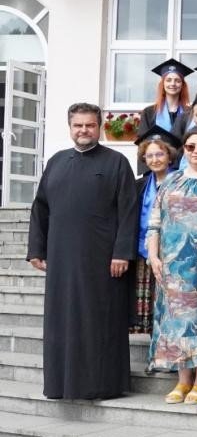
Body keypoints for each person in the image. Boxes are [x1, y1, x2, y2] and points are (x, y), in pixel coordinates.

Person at [27, 104, 136, 401]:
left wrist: (122, 253)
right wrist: (37, 248)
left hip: (102, 259)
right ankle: (62, 385)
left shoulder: (116, 162)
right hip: (61, 258)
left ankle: (100, 385)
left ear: (99, 127)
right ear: (70, 127)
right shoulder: (57, 162)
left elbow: (129, 211)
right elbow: (41, 207)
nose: (84, 130)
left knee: (97, 320)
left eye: (89, 125)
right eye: (78, 125)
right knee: (62, 320)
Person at [145, 127, 197, 404]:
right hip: (171, 264)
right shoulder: (171, 181)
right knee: (177, 321)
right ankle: (182, 380)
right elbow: (154, 222)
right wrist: (154, 257)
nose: (196, 152)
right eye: (191, 147)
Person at [131, 126, 181, 335]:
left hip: (171, 250)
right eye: (149, 155)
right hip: (143, 250)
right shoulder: (139, 185)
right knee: (147, 299)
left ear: (170, 156)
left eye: (160, 154)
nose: (154, 159)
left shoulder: (181, 181)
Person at [140, 59, 192, 137]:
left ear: (182, 85)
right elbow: (143, 140)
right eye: (168, 80)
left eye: (177, 81)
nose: (173, 84)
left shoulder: (190, 112)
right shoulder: (149, 113)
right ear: (163, 84)